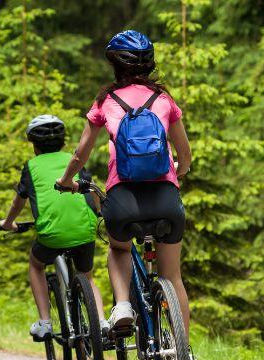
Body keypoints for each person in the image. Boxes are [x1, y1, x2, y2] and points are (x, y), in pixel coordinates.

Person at [55, 30, 193, 335]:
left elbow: (80, 154)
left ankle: (122, 306)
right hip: (165, 199)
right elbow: (185, 154)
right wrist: (178, 172)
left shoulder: (105, 100)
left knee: (119, 248)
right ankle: (184, 354)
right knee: (173, 276)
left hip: (124, 199)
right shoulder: (164, 99)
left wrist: (66, 180)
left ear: (115, 65)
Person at [0, 115, 107, 341]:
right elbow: (90, 189)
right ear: (63, 142)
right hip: (84, 229)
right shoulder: (73, 159)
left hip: (51, 235)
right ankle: (102, 323)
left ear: (34, 145)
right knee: (87, 277)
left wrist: (8, 223)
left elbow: (19, 200)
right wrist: (98, 213)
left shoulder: (31, 166)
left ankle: (45, 322)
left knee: (36, 264)